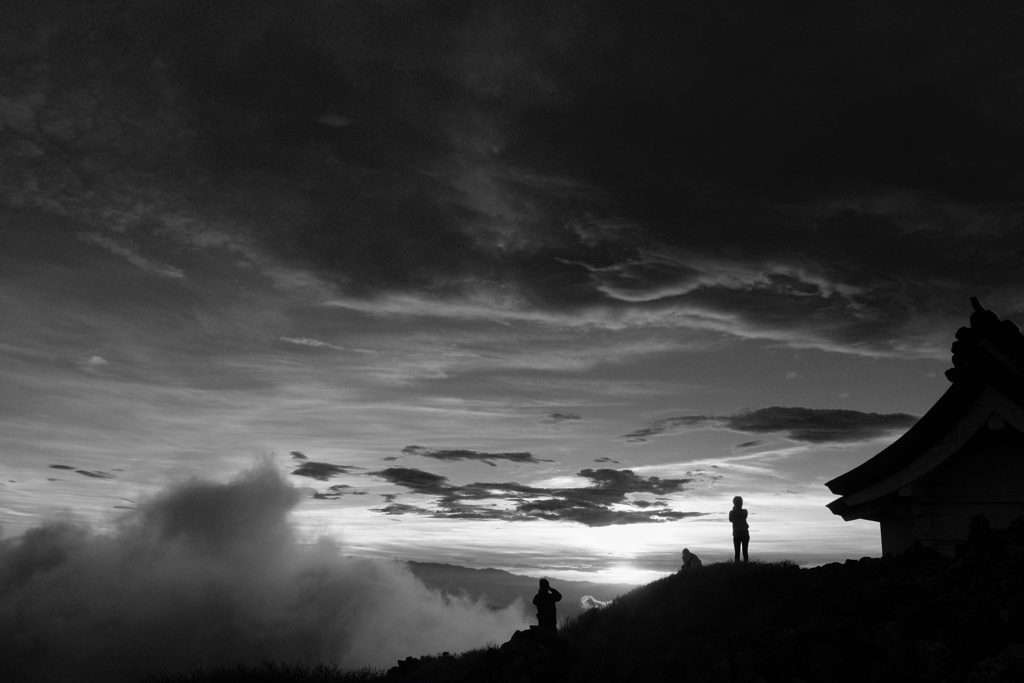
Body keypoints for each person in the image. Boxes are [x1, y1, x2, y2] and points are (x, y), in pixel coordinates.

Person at [730, 495, 749, 562]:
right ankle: (742, 566)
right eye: (739, 502)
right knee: (739, 553)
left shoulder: (744, 511)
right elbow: (731, 519)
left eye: (740, 502)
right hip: (739, 534)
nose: (740, 504)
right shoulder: (734, 512)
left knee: (743, 552)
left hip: (741, 534)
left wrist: (735, 510)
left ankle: (742, 566)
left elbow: (732, 519)